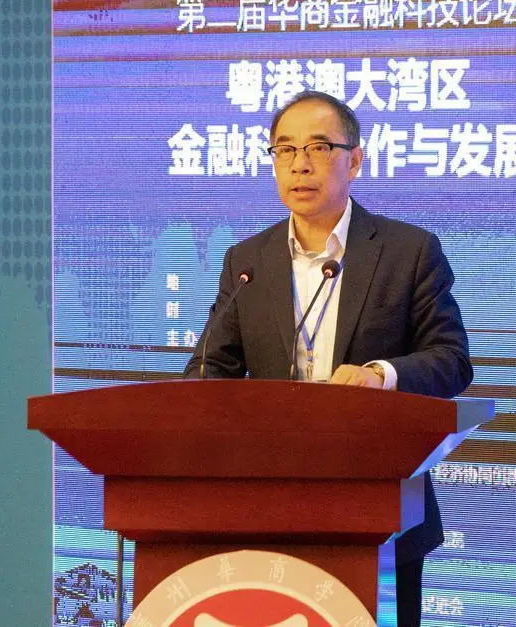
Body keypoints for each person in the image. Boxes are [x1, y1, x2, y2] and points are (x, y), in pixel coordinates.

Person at [183, 90, 472, 626]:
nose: (300, 164)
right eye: (285, 149)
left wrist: (381, 376)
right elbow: (209, 370)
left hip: (382, 505)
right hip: (266, 507)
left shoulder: (408, 251)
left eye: (319, 147)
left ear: (354, 160)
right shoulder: (247, 260)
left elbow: (452, 360)